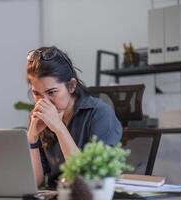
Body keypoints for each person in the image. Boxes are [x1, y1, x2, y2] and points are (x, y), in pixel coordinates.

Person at [26, 46, 122, 189]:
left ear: (71, 86)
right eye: (36, 94)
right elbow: (35, 182)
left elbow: (90, 179)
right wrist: (32, 138)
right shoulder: (40, 117)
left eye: (51, 92)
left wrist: (59, 128)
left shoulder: (100, 114)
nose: (43, 102)